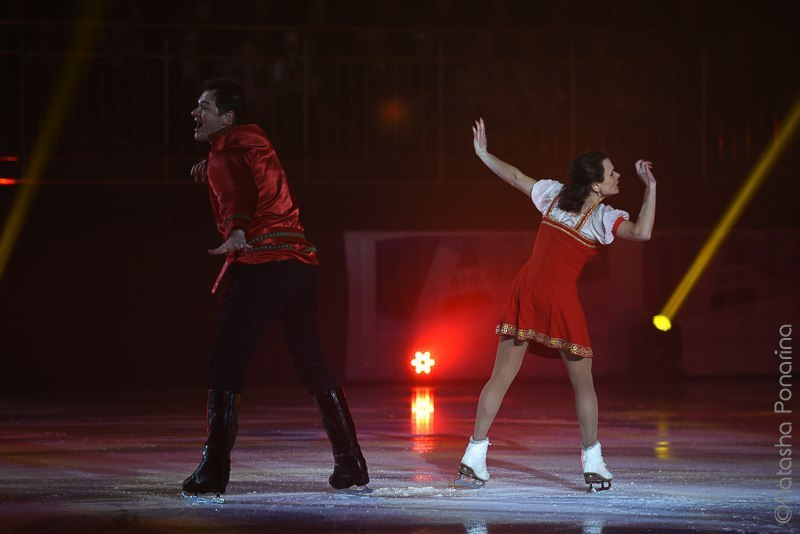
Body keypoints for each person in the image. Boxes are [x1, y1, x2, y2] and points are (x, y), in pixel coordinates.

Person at [181, 79, 369, 500]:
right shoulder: (252, 143)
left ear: (226, 119)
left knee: (227, 359)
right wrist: (211, 164)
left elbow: (242, 194)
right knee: (310, 361)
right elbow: (250, 180)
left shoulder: (226, 152)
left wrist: (238, 229)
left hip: (263, 263)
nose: (196, 112)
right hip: (299, 262)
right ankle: (351, 461)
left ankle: (214, 469)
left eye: (204, 107)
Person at [456, 118, 656, 492]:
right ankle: (593, 461)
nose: (618, 177)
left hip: (526, 288)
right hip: (559, 297)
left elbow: (515, 176)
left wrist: (483, 153)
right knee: (584, 384)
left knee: (500, 376)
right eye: (613, 173)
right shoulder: (601, 218)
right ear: (596, 183)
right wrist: (652, 188)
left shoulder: (554, 195)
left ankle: (474, 455)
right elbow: (643, 232)